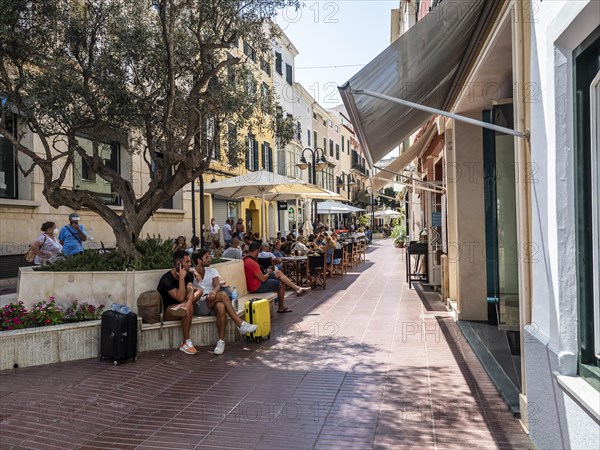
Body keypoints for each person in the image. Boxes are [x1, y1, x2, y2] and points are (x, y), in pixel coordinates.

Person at [191, 249, 257, 355]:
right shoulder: (192, 273)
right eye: (206, 257)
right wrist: (194, 272)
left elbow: (217, 285)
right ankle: (240, 324)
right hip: (200, 304)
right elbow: (184, 270)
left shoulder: (212, 271)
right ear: (199, 260)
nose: (209, 259)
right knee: (222, 295)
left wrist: (214, 291)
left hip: (212, 300)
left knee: (221, 306)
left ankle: (221, 342)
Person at [157, 250, 203, 355]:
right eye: (187, 262)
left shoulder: (189, 275)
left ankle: (186, 342)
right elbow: (180, 297)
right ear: (179, 263)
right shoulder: (166, 279)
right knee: (189, 306)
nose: (190, 264)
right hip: (167, 311)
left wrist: (187, 303)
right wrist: (181, 278)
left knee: (198, 292)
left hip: (183, 306)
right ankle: (186, 342)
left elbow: (190, 289)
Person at [244, 242, 310, 313]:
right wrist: (268, 273)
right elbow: (263, 279)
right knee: (280, 284)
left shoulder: (246, 259)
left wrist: (267, 273)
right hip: (256, 286)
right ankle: (281, 307)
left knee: (278, 272)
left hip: (256, 280)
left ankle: (297, 288)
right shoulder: (252, 263)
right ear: (256, 250)